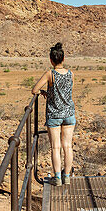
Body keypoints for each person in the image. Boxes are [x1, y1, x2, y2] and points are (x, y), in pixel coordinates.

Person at [31, 42, 75, 186]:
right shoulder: (70, 74)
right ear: (63, 59)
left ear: (51, 60)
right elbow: (67, 91)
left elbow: (34, 89)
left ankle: (57, 178)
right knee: (67, 146)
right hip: (69, 113)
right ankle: (67, 175)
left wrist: (44, 92)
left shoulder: (50, 74)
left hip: (54, 115)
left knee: (55, 147)